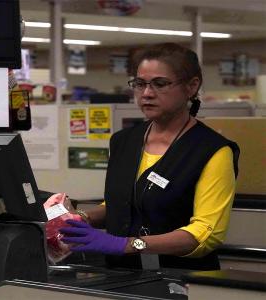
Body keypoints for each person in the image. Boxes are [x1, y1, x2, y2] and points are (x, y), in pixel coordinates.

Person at [59, 43, 240, 271]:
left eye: (160, 84)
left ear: (191, 87)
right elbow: (124, 203)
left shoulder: (212, 151)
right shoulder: (124, 141)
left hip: (181, 278)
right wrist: (82, 218)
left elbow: (204, 234)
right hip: (121, 273)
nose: (146, 93)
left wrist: (126, 244)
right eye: (140, 84)